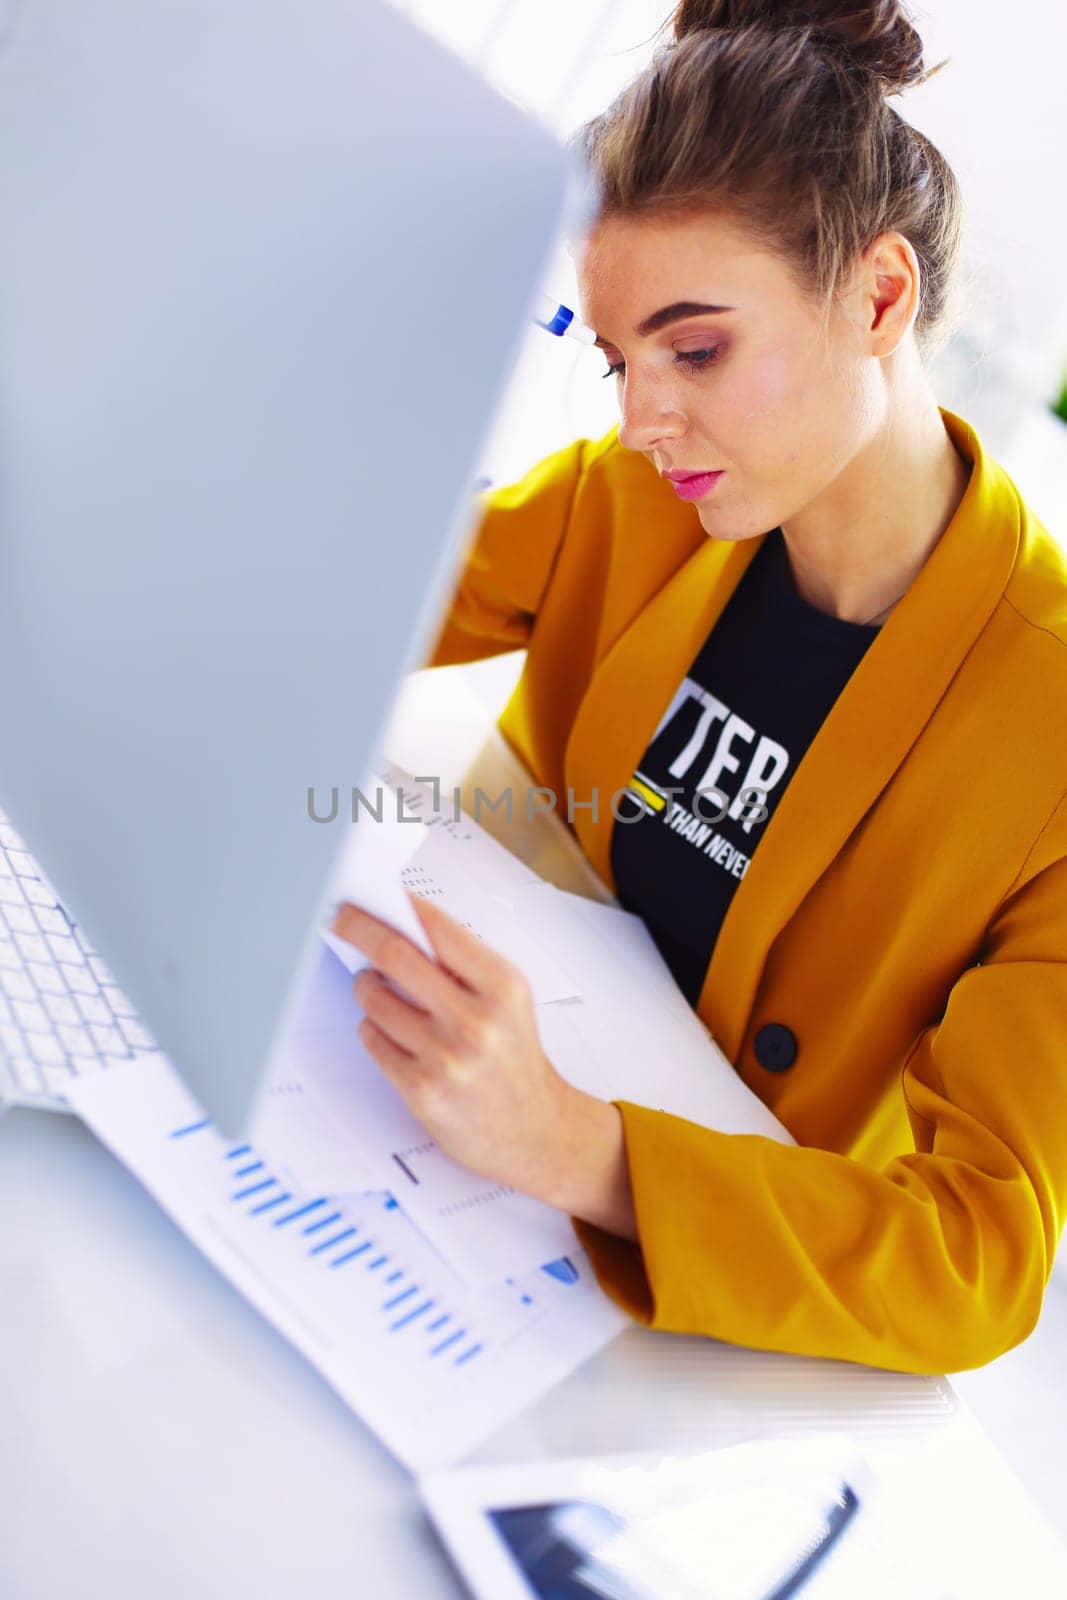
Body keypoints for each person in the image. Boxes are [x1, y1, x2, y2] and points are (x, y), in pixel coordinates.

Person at [331, 0, 1067, 1375]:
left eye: (698, 349)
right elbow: (342, 610)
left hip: (672, 1303)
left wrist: (576, 1147)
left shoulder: (1052, 730)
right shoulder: (641, 497)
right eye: (622, 362)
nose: (642, 417)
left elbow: (978, 1257)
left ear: (881, 297)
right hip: (412, 1152)